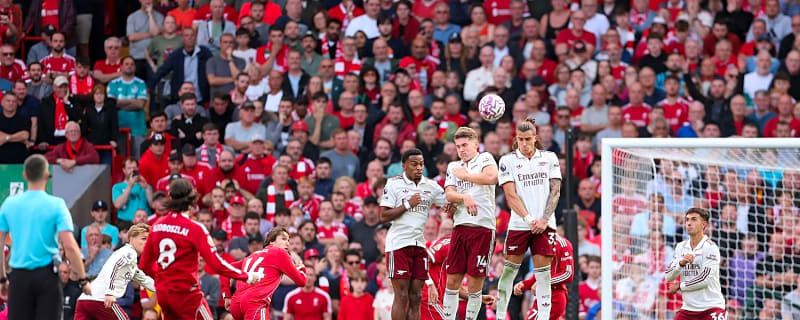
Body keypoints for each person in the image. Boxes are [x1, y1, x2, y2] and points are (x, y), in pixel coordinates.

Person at [138, 178, 262, 319]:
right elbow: (216, 264)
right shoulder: (194, 228)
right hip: (187, 295)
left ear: (170, 197)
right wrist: (246, 276)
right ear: (192, 200)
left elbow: (144, 264)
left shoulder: (157, 226)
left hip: (164, 294)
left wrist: (162, 281)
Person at [0, 154, 91, 319]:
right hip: (47, 276)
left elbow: (0, 245)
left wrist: (2, 279)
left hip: (19, 277)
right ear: (47, 175)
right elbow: (69, 246)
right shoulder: (56, 205)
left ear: (25, 175)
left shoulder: (9, 204)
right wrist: (83, 279)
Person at [495, 118, 562, 320]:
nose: (524, 143)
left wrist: (543, 219)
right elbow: (510, 195)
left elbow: (556, 191)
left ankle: (543, 317)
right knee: (509, 271)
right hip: (519, 224)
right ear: (516, 139)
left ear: (535, 138)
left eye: (528, 139)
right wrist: (530, 218)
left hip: (545, 224)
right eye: (520, 139)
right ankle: (499, 315)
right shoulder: (508, 161)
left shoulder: (549, 158)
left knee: (543, 273)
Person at [380, 148, 450, 320]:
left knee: (416, 296)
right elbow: (383, 216)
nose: (418, 167)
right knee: (402, 294)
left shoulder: (430, 186)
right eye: (414, 164)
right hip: (398, 244)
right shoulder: (394, 184)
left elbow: (448, 202)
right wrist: (408, 204)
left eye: (421, 164)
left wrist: (453, 205)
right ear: (404, 165)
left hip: (419, 245)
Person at [442, 127, 498, 320]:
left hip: (483, 228)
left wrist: (465, 176)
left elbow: (492, 177)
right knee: (452, 280)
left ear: (476, 144)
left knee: (475, 283)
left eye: (465, 145)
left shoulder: (485, 159)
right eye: (458, 146)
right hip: (460, 227)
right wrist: (464, 197)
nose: (461, 150)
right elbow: (449, 194)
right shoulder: (453, 167)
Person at [74, 224, 155, 320]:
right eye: (143, 238)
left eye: (148, 239)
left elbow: (142, 279)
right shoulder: (130, 253)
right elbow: (115, 267)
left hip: (84, 300)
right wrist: (110, 292)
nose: (147, 243)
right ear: (132, 239)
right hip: (100, 300)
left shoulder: (126, 256)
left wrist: (160, 288)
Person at [229, 227, 307, 320]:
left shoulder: (253, 255)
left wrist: (226, 295)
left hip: (236, 303)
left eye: (288, 240)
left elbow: (226, 268)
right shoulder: (280, 252)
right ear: (271, 242)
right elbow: (302, 281)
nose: (288, 243)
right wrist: (301, 267)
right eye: (283, 239)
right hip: (255, 302)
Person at [665, 208, 727, 320]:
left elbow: (704, 279)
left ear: (703, 224)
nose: (689, 223)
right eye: (687, 220)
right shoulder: (680, 247)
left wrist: (680, 285)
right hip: (688, 309)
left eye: (694, 219)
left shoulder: (711, 248)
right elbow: (669, 275)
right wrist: (681, 263)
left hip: (711, 308)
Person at [512, 233, 574, 320]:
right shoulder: (540, 244)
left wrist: (542, 283)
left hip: (555, 297)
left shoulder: (562, 243)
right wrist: (523, 284)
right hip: (541, 297)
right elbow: (539, 275)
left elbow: (568, 274)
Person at [108, 56, 148, 158]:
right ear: (121, 66)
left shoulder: (141, 83)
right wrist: (131, 101)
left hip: (138, 129)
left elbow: (140, 104)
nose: (129, 66)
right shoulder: (113, 83)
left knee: (139, 160)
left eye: (132, 64)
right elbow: (111, 104)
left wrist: (119, 105)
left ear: (135, 67)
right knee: (122, 161)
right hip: (119, 128)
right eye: (126, 64)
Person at [126, 0, 164, 81]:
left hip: (154, 58)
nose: (147, 1)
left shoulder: (159, 16)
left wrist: (150, 14)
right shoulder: (132, 17)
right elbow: (132, 37)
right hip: (136, 58)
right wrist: (150, 34)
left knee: (153, 87)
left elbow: (155, 32)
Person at [0, 92, 30, 164]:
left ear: (17, 104)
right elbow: (21, 136)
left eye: (14, 101)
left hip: (19, 161)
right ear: (2, 102)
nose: (11, 103)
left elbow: (25, 135)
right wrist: (17, 138)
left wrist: (5, 138)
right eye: (8, 101)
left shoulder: (24, 119)